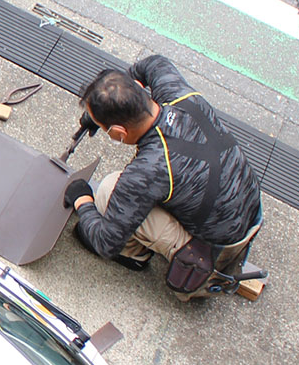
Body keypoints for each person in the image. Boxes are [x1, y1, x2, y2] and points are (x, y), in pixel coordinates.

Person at [63, 55, 263, 297]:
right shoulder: (180, 95)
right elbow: (152, 64)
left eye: (106, 129)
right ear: (139, 89)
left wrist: (82, 200)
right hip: (251, 210)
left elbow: (106, 242)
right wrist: (105, 106)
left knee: (107, 190)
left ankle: (135, 255)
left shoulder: (147, 170)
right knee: (161, 189)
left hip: (220, 249)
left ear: (118, 133)